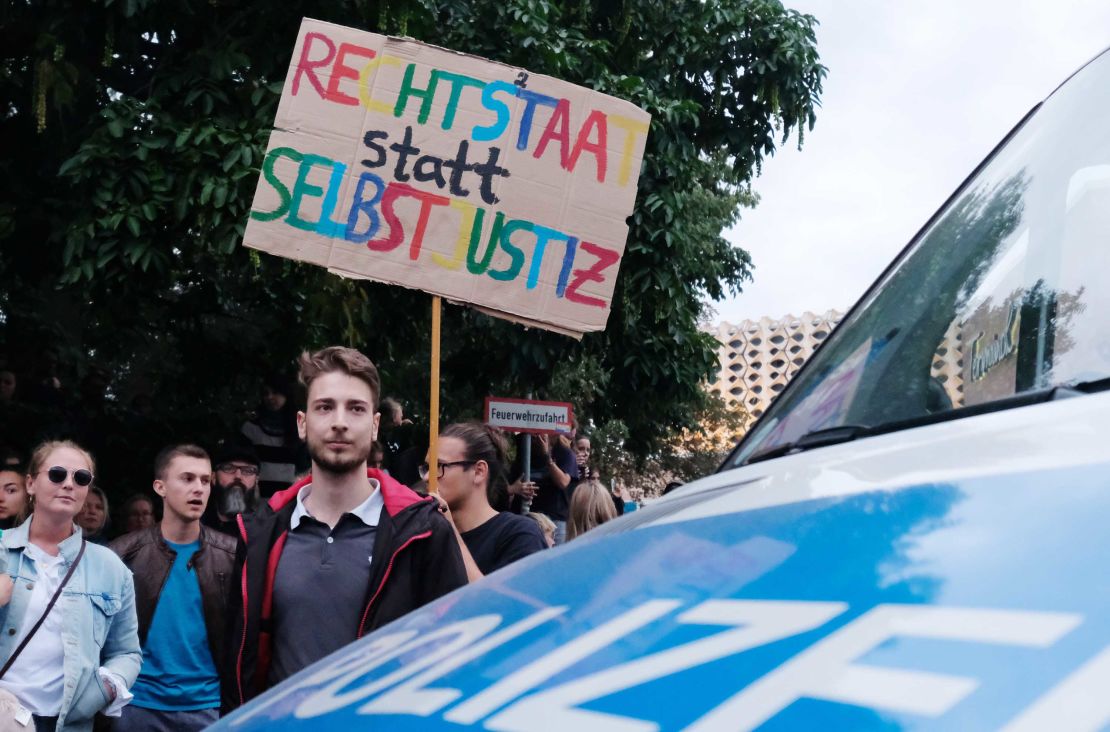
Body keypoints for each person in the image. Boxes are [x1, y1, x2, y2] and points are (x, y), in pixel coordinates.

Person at [224, 346, 467, 709]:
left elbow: (453, 659)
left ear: (374, 425)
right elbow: (237, 663)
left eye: (356, 408)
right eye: (325, 407)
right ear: (302, 424)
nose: (340, 421)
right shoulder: (261, 532)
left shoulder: (422, 531)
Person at [0, 440, 141, 731]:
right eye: (57, 474)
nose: (68, 484)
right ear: (30, 483)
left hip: (68, 722)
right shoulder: (1, 551)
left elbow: (127, 652)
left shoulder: (111, 567)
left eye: (80, 478)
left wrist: (106, 688)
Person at [110, 444, 235, 731]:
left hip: (208, 705)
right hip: (137, 704)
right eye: (187, 478)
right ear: (160, 487)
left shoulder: (232, 555)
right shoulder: (123, 554)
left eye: (205, 480)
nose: (199, 489)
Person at [428, 423, 547, 578]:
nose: (427, 477)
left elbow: (499, 601)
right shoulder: (427, 536)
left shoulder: (520, 534)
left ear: (479, 472)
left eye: (439, 466)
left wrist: (451, 532)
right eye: (426, 468)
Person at [240, 376, 304, 497]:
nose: (270, 397)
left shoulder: (299, 430)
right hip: (257, 498)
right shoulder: (250, 429)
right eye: (266, 393)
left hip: (289, 500)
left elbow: (305, 469)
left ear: (285, 394)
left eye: (275, 392)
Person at [509, 433, 578, 544]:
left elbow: (563, 482)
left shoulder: (564, 453)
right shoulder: (524, 448)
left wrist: (546, 456)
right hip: (525, 516)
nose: (538, 436)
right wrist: (514, 488)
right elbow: (505, 485)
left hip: (554, 520)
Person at [202, 443, 262, 536]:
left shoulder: (265, 530)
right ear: (213, 477)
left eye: (248, 470)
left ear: (256, 480)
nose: (238, 476)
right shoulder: (195, 524)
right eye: (228, 468)